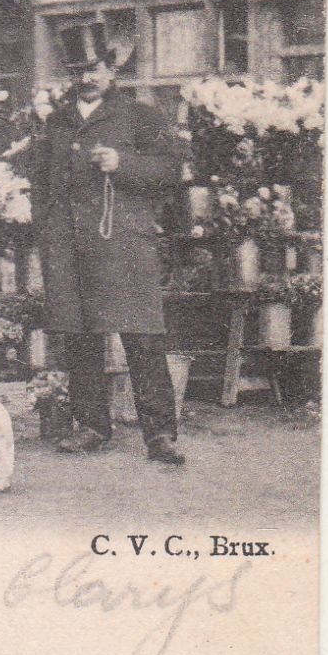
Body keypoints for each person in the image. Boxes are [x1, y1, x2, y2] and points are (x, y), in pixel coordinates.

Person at [29, 24, 189, 465]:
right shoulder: (57, 122)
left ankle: (159, 435)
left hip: (124, 245)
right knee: (80, 339)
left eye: (95, 68)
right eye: (79, 70)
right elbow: (39, 182)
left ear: (112, 68)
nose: (88, 77)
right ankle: (91, 425)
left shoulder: (141, 116)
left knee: (142, 339)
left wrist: (125, 164)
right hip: (69, 247)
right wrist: (46, 229)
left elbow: (172, 172)